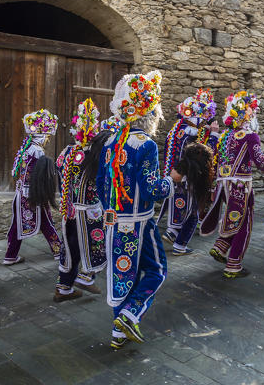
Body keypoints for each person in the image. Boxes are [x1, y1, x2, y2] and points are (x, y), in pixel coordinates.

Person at [96, 71, 182, 349]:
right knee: (156, 270)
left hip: (113, 222)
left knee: (123, 275)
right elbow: (151, 190)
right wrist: (172, 181)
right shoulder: (145, 145)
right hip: (139, 223)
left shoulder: (109, 142)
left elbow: (100, 183)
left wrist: (112, 209)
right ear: (150, 114)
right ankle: (132, 313)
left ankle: (117, 334)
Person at [200, 91, 264, 278]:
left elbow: (216, 162)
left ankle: (221, 246)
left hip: (223, 185)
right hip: (240, 185)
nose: (254, 114)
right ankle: (234, 265)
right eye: (253, 111)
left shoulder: (225, 136)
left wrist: (212, 187)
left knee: (236, 217)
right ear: (247, 114)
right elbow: (259, 159)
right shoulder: (250, 136)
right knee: (245, 222)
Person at [54, 99, 107, 302]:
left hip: (69, 211)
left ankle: (64, 287)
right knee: (97, 245)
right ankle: (86, 276)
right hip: (91, 212)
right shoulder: (96, 155)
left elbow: (60, 175)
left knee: (71, 248)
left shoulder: (65, 153)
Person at [157, 89, 220, 256]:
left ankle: (172, 232)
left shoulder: (178, 129)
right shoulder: (193, 133)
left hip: (174, 176)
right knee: (192, 213)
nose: (207, 118)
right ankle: (180, 245)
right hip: (187, 178)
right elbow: (204, 154)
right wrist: (213, 135)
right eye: (205, 114)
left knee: (179, 207)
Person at [3, 108, 64, 265]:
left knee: (18, 225)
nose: (48, 140)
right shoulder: (37, 151)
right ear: (42, 136)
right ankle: (59, 251)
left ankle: (10, 256)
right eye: (47, 137)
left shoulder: (26, 150)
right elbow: (39, 177)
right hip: (34, 195)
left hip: (21, 194)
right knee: (46, 222)